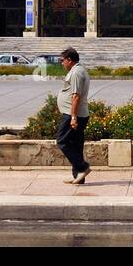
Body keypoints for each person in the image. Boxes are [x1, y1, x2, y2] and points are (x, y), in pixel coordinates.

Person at [55, 48, 92, 184]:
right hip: (78, 113)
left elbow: (76, 96)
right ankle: (78, 175)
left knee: (62, 141)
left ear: (69, 60)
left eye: (62, 60)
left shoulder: (76, 73)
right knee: (75, 144)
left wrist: (73, 117)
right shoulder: (79, 70)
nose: (62, 63)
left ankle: (83, 167)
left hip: (73, 114)